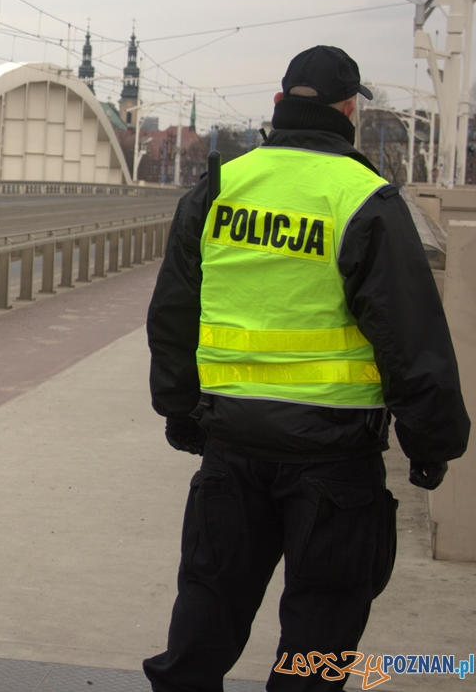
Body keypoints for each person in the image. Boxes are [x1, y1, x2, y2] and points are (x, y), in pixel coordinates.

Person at [144, 45, 470, 690]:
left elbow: (175, 311)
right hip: (334, 451)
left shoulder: (219, 185)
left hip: (231, 437)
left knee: (208, 605)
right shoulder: (367, 198)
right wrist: (432, 439)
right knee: (320, 627)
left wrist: (179, 407)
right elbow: (408, 333)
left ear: (277, 104)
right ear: (351, 110)